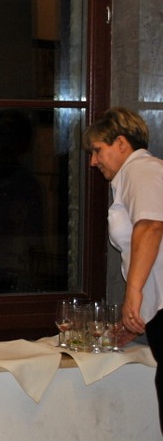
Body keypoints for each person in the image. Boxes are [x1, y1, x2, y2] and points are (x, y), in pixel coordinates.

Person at [84, 107, 163, 433]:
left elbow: (151, 227)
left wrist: (133, 293)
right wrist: (136, 318)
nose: (93, 162)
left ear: (121, 143)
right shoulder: (135, 174)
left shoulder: (140, 169)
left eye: (97, 150)